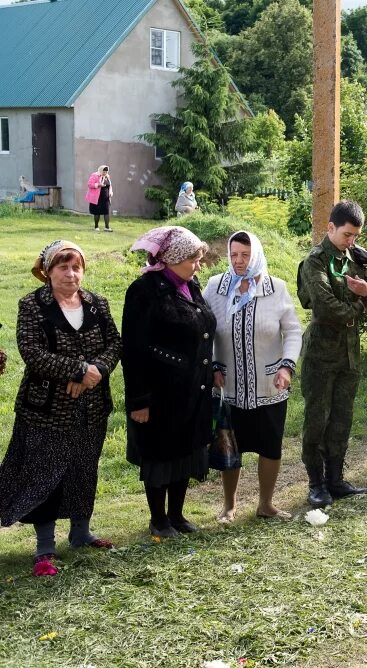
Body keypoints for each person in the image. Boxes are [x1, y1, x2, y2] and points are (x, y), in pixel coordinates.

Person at [0, 241, 121, 575]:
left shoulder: (97, 303)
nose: (71, 274)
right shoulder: (32, 305)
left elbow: (114, 344)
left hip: (92, 406)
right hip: (46, 409)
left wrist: (92, 372)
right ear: (47, 271)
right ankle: (45, 549)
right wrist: (78, 370)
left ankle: (81, 534)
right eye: (63, 267)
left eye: (76, 267)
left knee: (84, 468)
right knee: (46, 473)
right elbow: (32, 352)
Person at [122, 226, 215, 538]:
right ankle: (158, 520)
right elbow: (133, 349)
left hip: (192, 389)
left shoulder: (190, 284)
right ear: (173, 258)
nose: (198, 264)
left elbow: (202, 329)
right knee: (160, 456)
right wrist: (139, 401)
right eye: (193, 258)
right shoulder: (145, 290)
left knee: (186, 452)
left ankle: (176, 515)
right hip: (160, 392)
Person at [204, 231, 302, 522]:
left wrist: (287, 366)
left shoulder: (275, 288)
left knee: (270, 446)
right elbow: (205, 328)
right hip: (229, 386)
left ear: (256, 254)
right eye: (234, 254)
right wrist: (212, 366)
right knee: (230, 446)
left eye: (245, 255)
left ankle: (266, 504)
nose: (239, 261)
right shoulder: (216, 287)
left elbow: (293, 331)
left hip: (269, 385)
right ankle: (229, 506)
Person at [297, 201, 367, 505]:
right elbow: (325, 307)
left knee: (342, 418)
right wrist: (359, 305)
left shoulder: (357, 260)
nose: (352, 241)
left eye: (356, 236)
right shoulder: (315, 262)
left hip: (349, 354)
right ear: (330, 227)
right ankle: (316, 482)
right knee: (317, 419)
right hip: (321, 353)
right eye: (347, 234)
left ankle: (335, 478)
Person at [86, 165, 113, 232]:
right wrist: (98, 184)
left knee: (106, 212)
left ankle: (107, 227)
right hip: (97, 198)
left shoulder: (107, 176)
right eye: (104, 171)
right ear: (100, 170)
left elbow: (110, 186)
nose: (105, 173)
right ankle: (96, 226)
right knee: (97, 212)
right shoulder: (94, 175)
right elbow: (89, 184)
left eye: (106, 172)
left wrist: (111, 192)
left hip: (106, 198)